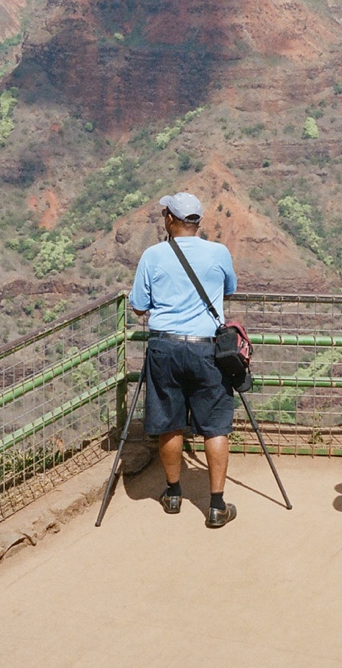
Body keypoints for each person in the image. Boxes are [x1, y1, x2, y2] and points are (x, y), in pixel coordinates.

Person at [129, 191, 239, 529]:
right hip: (207, 349)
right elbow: (229, 290)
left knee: (169, 420)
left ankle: (173, 493)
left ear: (170, 220)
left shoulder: (152, 255)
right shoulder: (219, 252)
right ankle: (217, 505)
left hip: (165, 347)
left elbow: (138, 305)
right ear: (197, 222)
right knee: (215, 424)